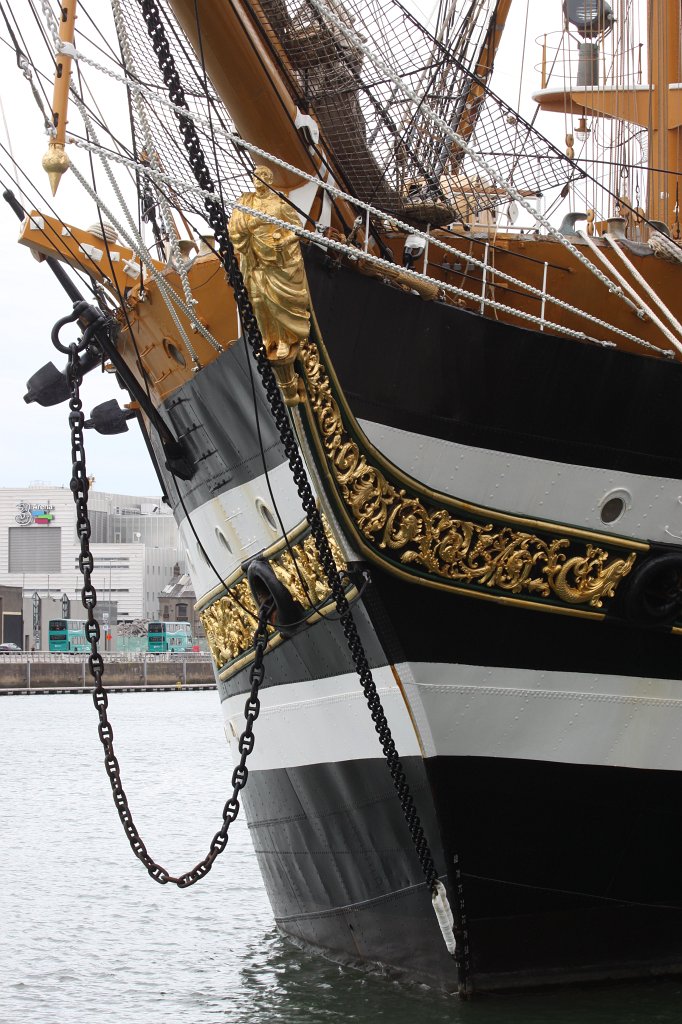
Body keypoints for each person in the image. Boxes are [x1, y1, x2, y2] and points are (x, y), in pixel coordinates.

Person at [228, 166, 310, 362]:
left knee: (278, 302)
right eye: (257, 175)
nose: (259, 178)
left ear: (270, 180)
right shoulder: (244, 203)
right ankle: (267, 338)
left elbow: (297, 229)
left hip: (275, 261)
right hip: (254, 260)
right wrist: (249, 226)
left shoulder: (279, 204)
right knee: (257, 301)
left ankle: (283, 339)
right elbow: (234, 228)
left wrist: (284, 241)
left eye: (264, 175)